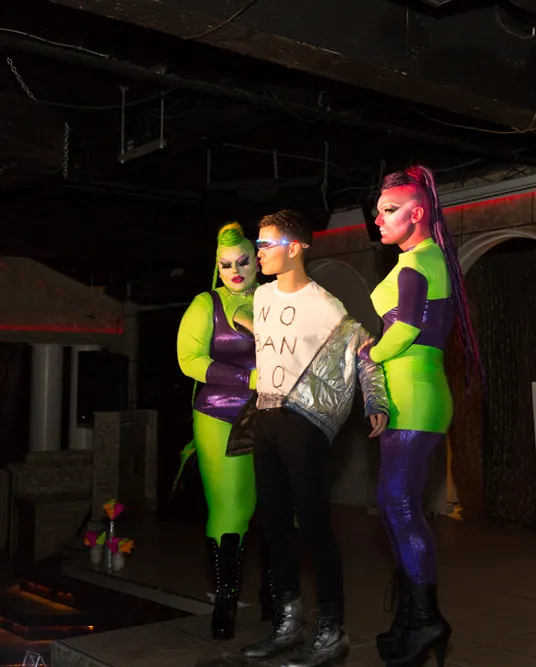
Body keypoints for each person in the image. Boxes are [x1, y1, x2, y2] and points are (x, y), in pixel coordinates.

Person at [241, 210, 389, 667]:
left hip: (304, 422)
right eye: (257, 244)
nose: (259, 253)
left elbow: (364, 350)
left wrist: (375, 399)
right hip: (266, 418)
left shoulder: (324, 304)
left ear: (296, 246)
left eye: (266, 244)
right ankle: (287, 624)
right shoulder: (261, 297)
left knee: (314, 525)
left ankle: (332, 630)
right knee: (273, 526)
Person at [364, 166, 483, 667]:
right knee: (394, 504)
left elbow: (407, 327)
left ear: (417, 214)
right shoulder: (428, 258)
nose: (378, 219)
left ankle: (426, 620)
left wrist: (367, 354)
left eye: (389, 210)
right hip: (413, 392)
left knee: (399, 505)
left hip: (414, 393)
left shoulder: (417, 262)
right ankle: (411, 619)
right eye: (377, 210)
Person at [176, 222, 268, 639]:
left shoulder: (276, 298)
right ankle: (226, 601)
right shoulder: (205, 303)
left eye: (243, 262)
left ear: (256, 262)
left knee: (279, 504)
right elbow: (189, 359)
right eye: (226, 264)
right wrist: (245, 379)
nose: (235, 271)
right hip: (220, 414)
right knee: (231, 507)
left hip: (275, 413)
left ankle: (275, 594)